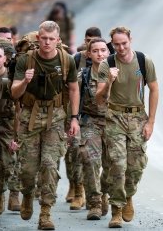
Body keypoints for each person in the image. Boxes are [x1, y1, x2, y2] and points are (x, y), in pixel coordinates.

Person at [11, 21, 80, 230]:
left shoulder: (67, 61)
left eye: (52, 39)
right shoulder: (25, 60)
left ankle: (45, 213)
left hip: (56, 117)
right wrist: (25, 82)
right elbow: (14, 93)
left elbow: (74, 89)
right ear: (38, 38)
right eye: (44, 38)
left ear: (58, 40)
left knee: (50, 166)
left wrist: (74, 118)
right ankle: (27, 195)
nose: (47, 42)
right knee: (27, 169)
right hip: (30, 117)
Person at [96, 26, 159, 228]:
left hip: (138, 117)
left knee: (136, 166)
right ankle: (116, 209)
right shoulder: (107, 64)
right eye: (116, 44)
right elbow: (99, 99)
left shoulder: (143, 60)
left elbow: (155, 89)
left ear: (130, 40)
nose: (121, 47)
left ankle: (128, 195)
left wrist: (150, 122)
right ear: (112, 44)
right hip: (114, 117)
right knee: (118, 164)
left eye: (124, 43)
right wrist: (109, 81)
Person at [64, 26, 102, 206]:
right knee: (73, 151)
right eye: (88, 40)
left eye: (94, 40)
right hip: (77, 114)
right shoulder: (77, 59)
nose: (90, 44)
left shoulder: (106, 60)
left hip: (96, 116)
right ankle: (76, 187)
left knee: (88, 155)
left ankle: (89, 192)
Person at [74, 38, 110, 220]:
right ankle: (94, 203)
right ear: (89, 54)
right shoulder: (83, 76)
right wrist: (71, 121)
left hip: (113, 123)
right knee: (89, 160)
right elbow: (72, 98)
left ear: (108, 52)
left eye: (103, 50)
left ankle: (104, 193)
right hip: (91, 122)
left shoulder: (115, 74)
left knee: (112, 164)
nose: (100, 54)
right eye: (95, 51)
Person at [0, 32, 21, 214]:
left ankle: (2, 192)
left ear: (5, 59)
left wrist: (16, 136)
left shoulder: (11, 80)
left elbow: (19, 110)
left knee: (6, 164)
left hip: (7, 124)